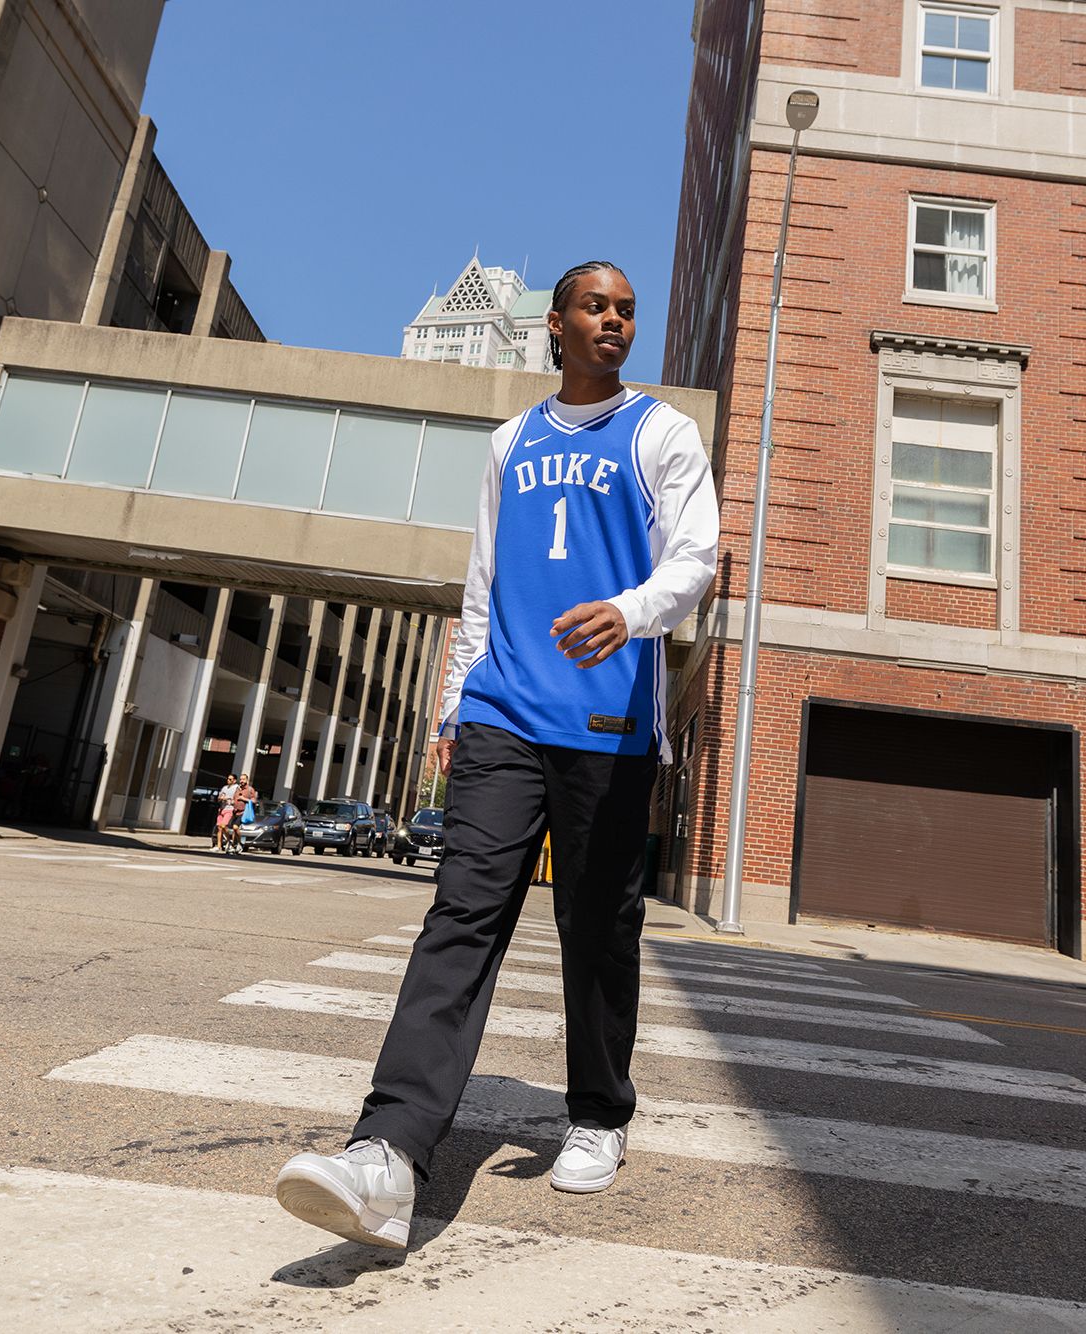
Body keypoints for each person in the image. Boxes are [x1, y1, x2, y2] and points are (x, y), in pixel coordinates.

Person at [275, 260, 718, 1250]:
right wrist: (451, 702)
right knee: (460, 917)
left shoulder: (660, 432)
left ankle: (598, 1110)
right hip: (502, 716)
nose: (613, 320)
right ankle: (386, 1153)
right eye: (595, 306)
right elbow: (480, 584)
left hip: (607, 726)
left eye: (626, 309)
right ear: (555, 325)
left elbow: (694, 555)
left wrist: (631, 610)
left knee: (594, 929)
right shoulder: (509, 441)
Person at [232, 773, 258, 854]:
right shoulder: (237, 789)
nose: (241, 781)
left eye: (243, 779)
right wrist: (232, 802)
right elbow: (234, 798)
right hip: (235, 811)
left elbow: (254, 801)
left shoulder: (250, 790)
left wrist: (244, 799)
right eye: (241, 779)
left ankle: (240, 843)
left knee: (235, 827)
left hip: (243, 812)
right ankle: (234, 845)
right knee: (233, 830)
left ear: (247, 780)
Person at [214, 773, 238, 853]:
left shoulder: (236, 788)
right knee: (219, 828)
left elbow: (236, 799)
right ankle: (219, 846)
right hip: (222, 809)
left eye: (230, 779)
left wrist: (229, 799)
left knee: (224, 826)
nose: (228, 780)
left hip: (230, 809)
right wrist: (221, 798)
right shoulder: (224, 788)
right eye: (228, 779)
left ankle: (229, 841)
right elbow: (219, 797)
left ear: (234, 780)